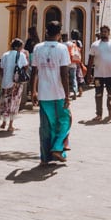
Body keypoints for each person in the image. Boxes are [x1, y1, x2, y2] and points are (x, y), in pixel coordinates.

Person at [30, 21, 72, 164]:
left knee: (46, 125)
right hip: (58, 92)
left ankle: (45, 157)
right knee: (65, 121)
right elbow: (64, 73)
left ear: (46, 31)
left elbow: (33, 72)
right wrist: (67, 94)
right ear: (59, 34)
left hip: (43, 92)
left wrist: (33, 91)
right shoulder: (62, 48)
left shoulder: (37, 48)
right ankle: (57, 147)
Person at [87, 25, 111, 121]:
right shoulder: (95, 45)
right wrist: (89, 74)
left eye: (106, 31)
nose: (104, 33)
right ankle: (99, 114)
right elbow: (90, 60)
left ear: (109, 33)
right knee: (98, 95)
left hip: (110, 75)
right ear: (100, 33)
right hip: (98, 75)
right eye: (102, 31)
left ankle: (110, 111)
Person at [0, 38, 28, 132]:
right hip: (16, 83)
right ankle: (10, 125)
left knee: (5, 102)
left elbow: (0, 69)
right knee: (14, 103)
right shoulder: (21, 55)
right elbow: (26, 66)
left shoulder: (5, 55)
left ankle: (3, 122)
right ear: (18, 47)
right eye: (21, 46)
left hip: (5, 82)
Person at [67, 30, 85, 97]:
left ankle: (68, 91)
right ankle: (78, 91)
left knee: (70, 77)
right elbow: (80, 51)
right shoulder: (79, 42)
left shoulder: (70, 42)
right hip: (77, 61)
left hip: (71, 61)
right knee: (78, 76)